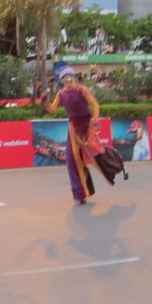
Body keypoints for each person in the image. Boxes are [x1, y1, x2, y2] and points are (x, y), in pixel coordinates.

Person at [42, 66, 104, 204]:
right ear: (61, 80)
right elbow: (52, 109)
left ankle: (113, 169)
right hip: (73, 127)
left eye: (70, 76)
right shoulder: (61, 94)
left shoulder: (82, 89)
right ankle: (80, 194)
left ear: (73, 77)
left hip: (87, 125)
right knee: (72, 160)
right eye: (65, 77)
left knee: (97, 156)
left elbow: (94, 105)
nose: (68, 79)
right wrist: (45, 102)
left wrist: (94, 121)